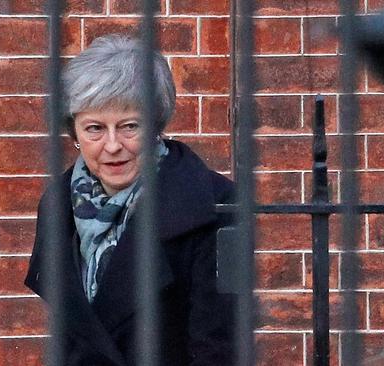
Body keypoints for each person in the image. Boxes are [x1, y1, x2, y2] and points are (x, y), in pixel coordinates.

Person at [24, 34, 236, 365]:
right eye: (94, 128)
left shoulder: (216, 205)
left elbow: (219, 347)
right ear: (74, 133)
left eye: (129, 126)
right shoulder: (58, 206)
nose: (112, 145)